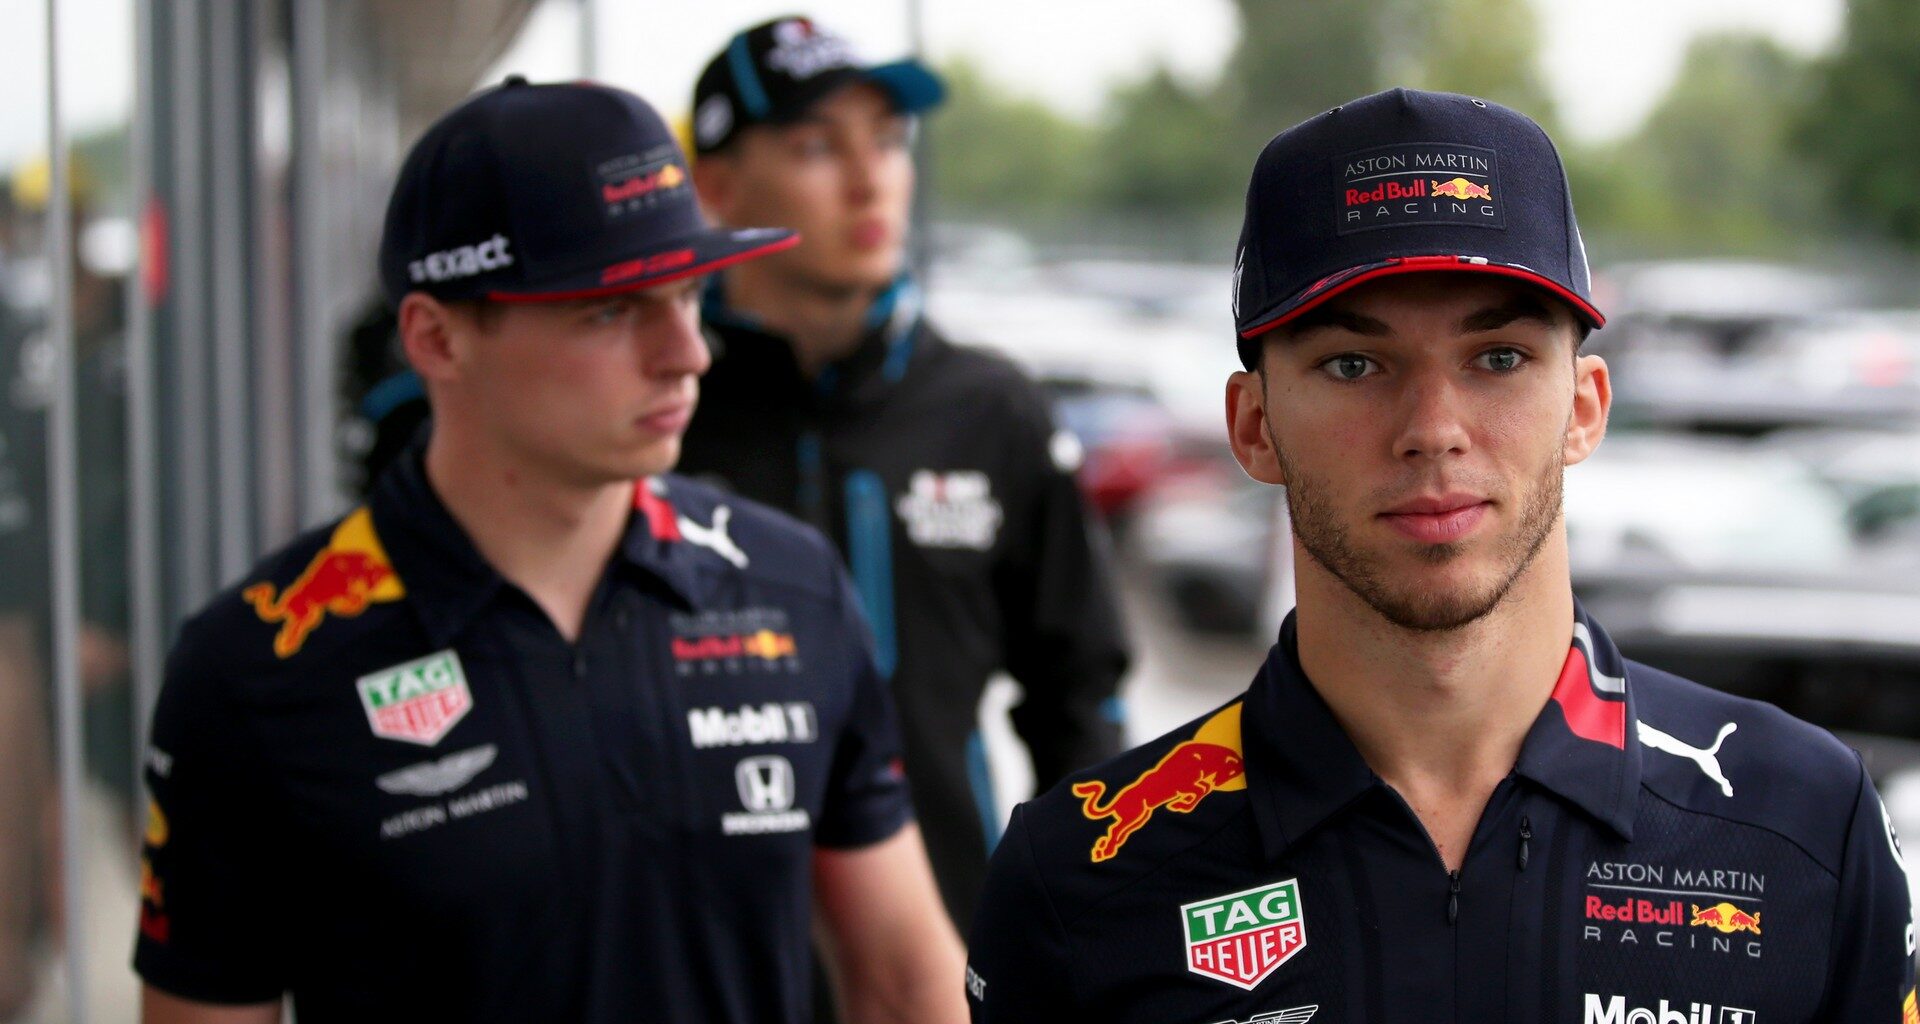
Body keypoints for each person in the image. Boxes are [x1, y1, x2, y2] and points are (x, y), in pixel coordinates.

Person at [964, 88, 1918, 1023]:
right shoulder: (1078, 878)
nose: (1434, 430)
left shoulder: (1803, 820)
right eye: (1354, 365)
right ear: (1253, 426)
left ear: (1583, 407)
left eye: (1497, 357)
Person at [133, 77, 965, 1024]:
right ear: (438, 340)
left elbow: (904, 976)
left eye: (690, 293)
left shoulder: (790, 586)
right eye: (611, 310)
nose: (686, 352)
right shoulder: (259, 663)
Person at [680, 16, 1132, 929]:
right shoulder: (659, 409)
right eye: (817, 145)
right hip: (701, 957)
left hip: (946, 939)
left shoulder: (993, 411)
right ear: (717, 185)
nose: (868, 176)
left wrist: (1086, 920)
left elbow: (1081, 696)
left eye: (888, 141)